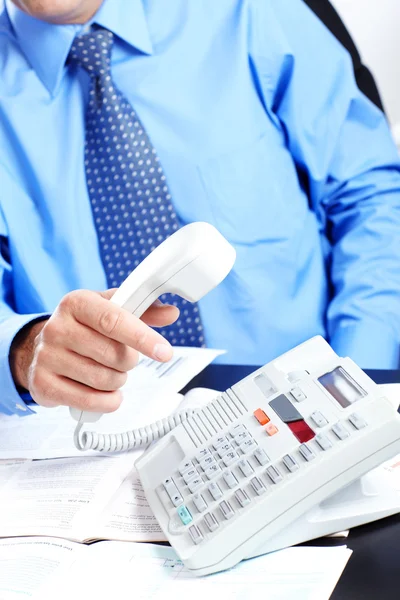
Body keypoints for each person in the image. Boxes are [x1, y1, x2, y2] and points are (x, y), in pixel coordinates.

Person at [0, 0, 399, 418]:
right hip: (94, 441)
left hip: (304, 405)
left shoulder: (251, 11)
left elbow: (368, 198)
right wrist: (22, 351)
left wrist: (356, 382)